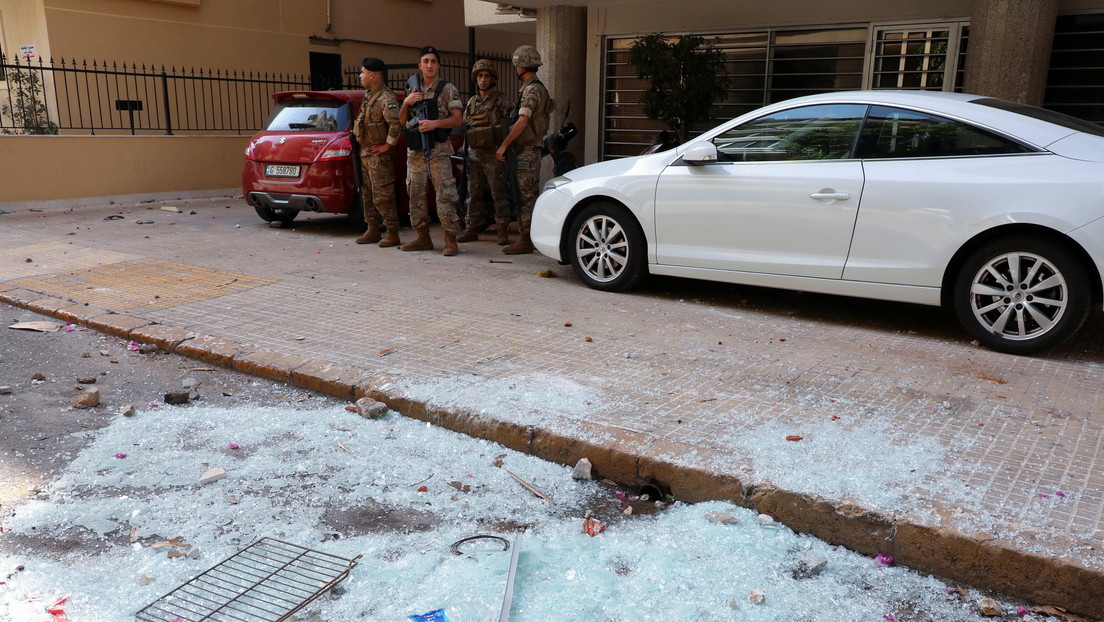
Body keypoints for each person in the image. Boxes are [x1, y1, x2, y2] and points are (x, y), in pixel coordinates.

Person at [398, 45, 464, 256]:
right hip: (416, 151)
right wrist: (406, 103)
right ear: (420, 65)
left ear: (438, 65)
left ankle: (450, 239)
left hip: (438, 149)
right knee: (415, 195)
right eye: (426, 61)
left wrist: (435, 124)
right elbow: (402, 122)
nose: (429, 65)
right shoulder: (412, 90)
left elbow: (457, 118)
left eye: (433, 61)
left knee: (444, 194)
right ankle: (422, 237)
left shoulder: (447, 89)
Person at [496, 45, 552, 255]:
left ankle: (526, 238)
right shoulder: (534, 88)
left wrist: (504, 145)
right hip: (528, 149)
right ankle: (526, 235)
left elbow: (522, 122)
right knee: (524, 194)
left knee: (525, 196)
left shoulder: (531, 90)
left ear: (520, 66)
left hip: (526, 150)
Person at [458, 59, 513, 246]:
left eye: (486, 76)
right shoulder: (471, 102)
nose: (483, 80)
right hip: (474, 154)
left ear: (492, 78)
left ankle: (502, 229)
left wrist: (504, 147)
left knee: (499, 192)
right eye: (480, 76)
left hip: (493, 154)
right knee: (473, 193)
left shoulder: (501, 101)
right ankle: (471, 227)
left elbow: (510, 125)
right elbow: (466, 127)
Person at [352, 57, 403, 247]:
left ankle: (392, 232)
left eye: (362, 72)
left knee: (383, 195)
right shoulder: (369, 96)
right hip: (365, 153)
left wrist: (387, 145)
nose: (360, 76)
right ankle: (372, 229)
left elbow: (395, 125)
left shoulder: (386, 98)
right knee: (367, 194)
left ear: (372, 75)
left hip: (378, 157)